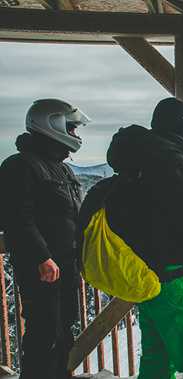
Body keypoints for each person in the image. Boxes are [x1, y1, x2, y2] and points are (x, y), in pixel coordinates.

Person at [79, 97, 183, 379]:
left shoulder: (137, 166)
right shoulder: (174, 165)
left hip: (150, 283)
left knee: (157, 361)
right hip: (180, 282)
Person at [0, 99, 90, 379]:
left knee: (64, 333)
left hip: (66, 266)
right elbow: (17, 219)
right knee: (44, 337)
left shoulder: (61, 168)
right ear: (52, 126)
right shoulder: (20, 166)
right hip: (42, 271)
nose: (76, 135)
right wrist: (42, 257)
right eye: (71, 129)